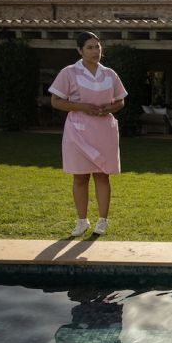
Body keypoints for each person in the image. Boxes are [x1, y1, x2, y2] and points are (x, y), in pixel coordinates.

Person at [49, 31, 127, 237]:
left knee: (102, 176)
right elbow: (55, 101)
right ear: (80, 50)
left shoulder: (110, 74)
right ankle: (82, 221)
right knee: (80, 177)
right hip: (78, 132)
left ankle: (102, 221)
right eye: (90, 47)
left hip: (104, 131)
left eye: (97, 47)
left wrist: (108, 109)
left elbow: (120, 100)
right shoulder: (69, 73)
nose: (95, 51)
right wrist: (82, 107)